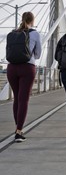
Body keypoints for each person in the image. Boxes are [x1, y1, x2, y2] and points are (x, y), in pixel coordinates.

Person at [7, 12, 41, 142]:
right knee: (23, 99)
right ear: (32, 20)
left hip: (11, 68)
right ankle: (19, 131)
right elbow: (37, 54)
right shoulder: (35, 34)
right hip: (27, 68)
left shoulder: (12, 33)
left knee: (17, 98)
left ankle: (17, 128)